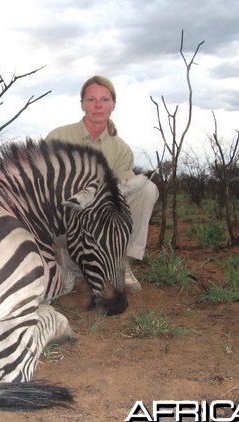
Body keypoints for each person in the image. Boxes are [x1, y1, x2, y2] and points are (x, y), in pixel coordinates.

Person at [46, 75, 158, 292]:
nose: (98, 105)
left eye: (104, 99)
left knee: (147, 189)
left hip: (100, 225)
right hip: (64, 223)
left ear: (113, 104)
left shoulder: (121, 149)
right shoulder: (58, 137)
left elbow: (122, 194)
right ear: (82, 104)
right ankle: (63, 257)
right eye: (91, 99)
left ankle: (120, 260)